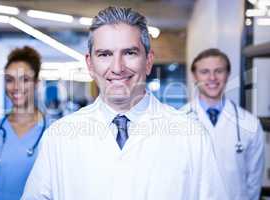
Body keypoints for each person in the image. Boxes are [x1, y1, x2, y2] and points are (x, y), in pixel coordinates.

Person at [21, 7, 228, 200]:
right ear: (90, 64)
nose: (117, 67)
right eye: (105, 54)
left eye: (129, 53)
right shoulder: (58, 138)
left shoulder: (191, 136)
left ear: (148, 61)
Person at [183, 48, 265, 200]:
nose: (212, 77)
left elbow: (254, 180)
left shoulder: (250, 124)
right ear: (195, 76)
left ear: (227, 75)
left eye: (219, 71)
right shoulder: (179, 120)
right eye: (205, 72)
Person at [0, 46, 50, 200]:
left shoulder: (52, 132)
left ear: (36, 83)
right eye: (10, 80)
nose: (16, 87)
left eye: (24, 79)